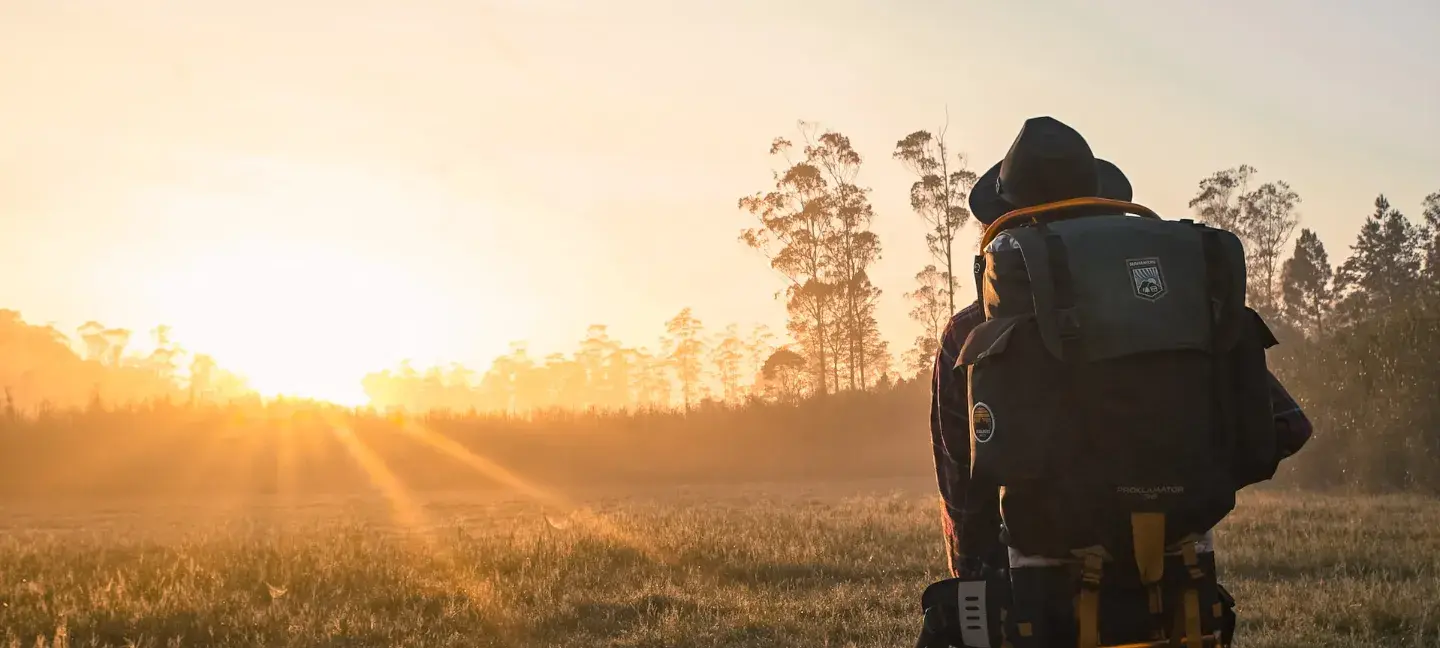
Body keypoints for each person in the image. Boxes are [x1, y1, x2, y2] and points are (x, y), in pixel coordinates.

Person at [919, 116, 1313, 647]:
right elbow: (1286, 426)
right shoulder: (1184, 308)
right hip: (1179, 596)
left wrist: (977, 591)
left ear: (1007, 219)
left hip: (1043, 600)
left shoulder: (971, 332)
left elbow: (964, 489)